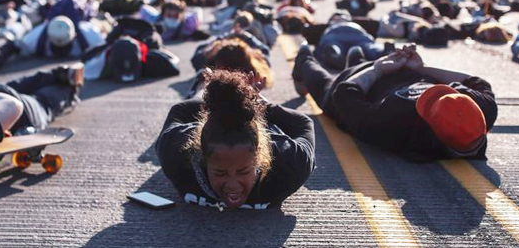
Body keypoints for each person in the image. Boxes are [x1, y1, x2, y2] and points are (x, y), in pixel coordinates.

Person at [292, 44, 497, 162]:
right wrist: (422, 69)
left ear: (431, 129)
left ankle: (303, 60)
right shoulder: (481, 107)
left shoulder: (394, 125)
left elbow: (344, 93)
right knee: (362, 57)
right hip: (403, 70)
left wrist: (378, 69)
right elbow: (475, 81)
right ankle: (359, 57)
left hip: (362, 80)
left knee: (326, 92)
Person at [156, 70, 315, 210]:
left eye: (243, 171)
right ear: (202, 157)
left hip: (263, 122)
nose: (232, 185)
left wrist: (259, 104)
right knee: (200, 96)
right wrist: (217, 104)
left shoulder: (290, 166)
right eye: (220, 173)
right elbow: (180, 110)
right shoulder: (175, 154)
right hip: (207, 122)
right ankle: (202, 86)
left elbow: (303, 123)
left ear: (259, 157)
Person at [0, 63, 84, 148]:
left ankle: (60, 74)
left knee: (39, 79)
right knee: (59, 91)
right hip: (25, 112)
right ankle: (69, 84)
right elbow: (13, 106)